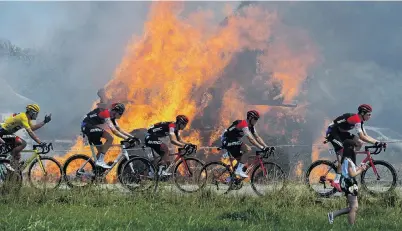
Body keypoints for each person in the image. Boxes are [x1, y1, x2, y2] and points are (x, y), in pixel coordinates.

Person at [325, 104, 385, 190]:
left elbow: (365, 136)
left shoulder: (360, 121)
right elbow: (362, 136)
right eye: (369, 114)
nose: (370, 116)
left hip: (341, 133)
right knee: (343, 153)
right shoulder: (356, 119)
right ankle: (337, 180)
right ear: (362, 113)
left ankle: (351, 162)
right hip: (332, 132)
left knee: (359, 143)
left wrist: (379, 142)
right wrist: (375, 142)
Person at [81, 103, 139, 169]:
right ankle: (100, 161)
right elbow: (114, 131)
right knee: (110, 138)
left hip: (90, 127)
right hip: (87, 126)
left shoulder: (112, 117)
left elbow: (119, 129)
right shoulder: (106, 113)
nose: (121, 115)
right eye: (120, 113)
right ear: (116, 111)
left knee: (101, 151)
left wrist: (132, 137)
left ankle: (96, 170)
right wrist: (128, 139)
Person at [328, 139, 368, 225]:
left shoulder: (347, 159)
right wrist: (361, 170)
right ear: (350, 148)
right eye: (354, 147)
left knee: (353, 207)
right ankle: (351, 226)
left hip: (350, 184)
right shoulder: (348, 161)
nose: (355, 150)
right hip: (349, 185)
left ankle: (333, 214)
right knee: (354, 207)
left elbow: (351, 171)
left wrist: (360, 167)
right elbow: (352, 174)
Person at [220, 110, 271, 178]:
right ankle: (238, 170)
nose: (256, 121)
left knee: (241, 160)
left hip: (234, 141)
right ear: (250, 118)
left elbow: (257, 137)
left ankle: (231, 179)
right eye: (255, 119)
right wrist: (261, 148)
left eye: (257, 119)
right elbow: (251, 139)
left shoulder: (251, 126)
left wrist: (266, 146)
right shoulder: (244, 124)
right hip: (226, 140)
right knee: (248, 149)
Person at [0, 104, 51, 171]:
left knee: (18, 156)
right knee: (23, 143)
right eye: (36, 113)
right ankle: (9, 159)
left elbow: (32, 128)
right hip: (2, 131)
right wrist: (40, 142)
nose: (37, 115)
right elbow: (30, 132)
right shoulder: (23, 117)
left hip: (6, 132)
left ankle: (13, 173)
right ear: (31, 112)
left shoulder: (26, 118)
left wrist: (44, 122)